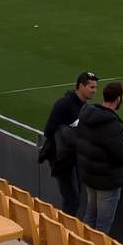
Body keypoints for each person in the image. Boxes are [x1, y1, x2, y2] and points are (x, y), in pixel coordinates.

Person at [74, 81, 123, 233]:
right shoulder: (113, 125)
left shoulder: (87, 114)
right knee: (102, 226)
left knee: (90, 215)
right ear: (118, 99)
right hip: (106, 181)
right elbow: (120, 156)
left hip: (89, 175)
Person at [38, 71, 97, 217]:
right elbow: (49, 130)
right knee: (72, 199)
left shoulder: (84, 106)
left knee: (74, 197)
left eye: (95, 87)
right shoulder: (64, 104)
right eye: (91, 87)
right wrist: (68, 134)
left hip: (74, 158)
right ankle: (63, 233)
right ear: (81, 86)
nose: (94, 91)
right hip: (62, 160)